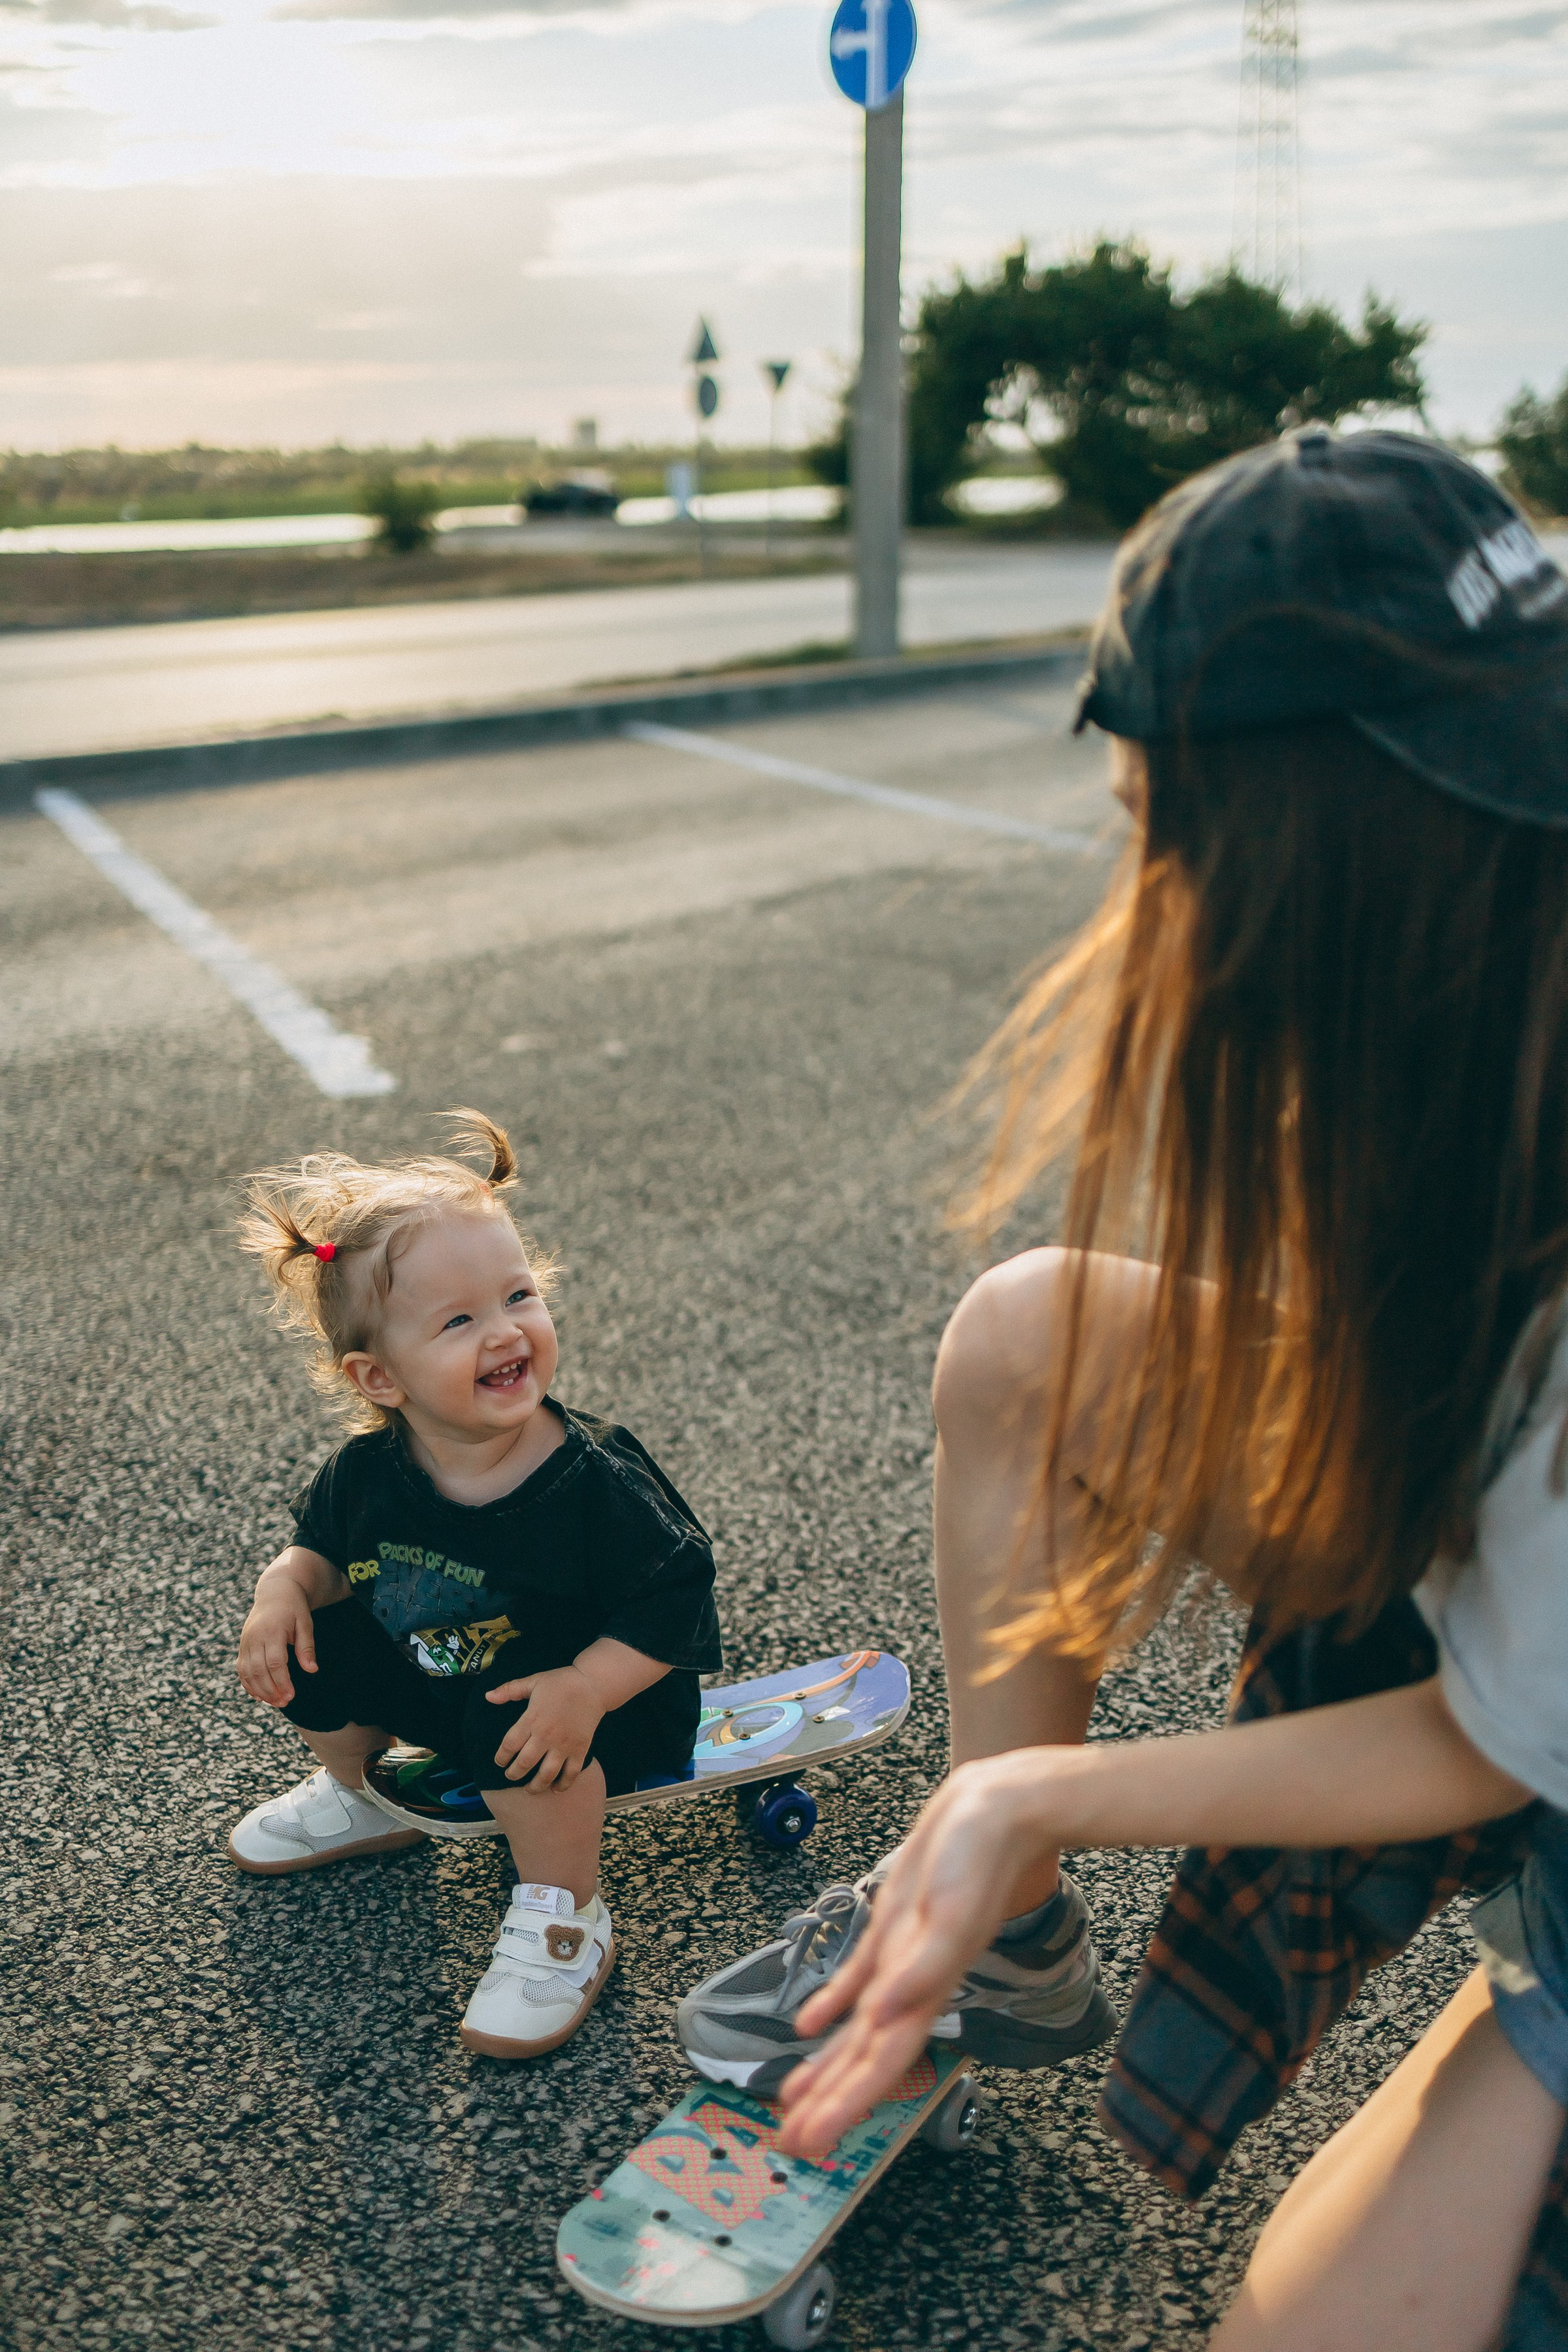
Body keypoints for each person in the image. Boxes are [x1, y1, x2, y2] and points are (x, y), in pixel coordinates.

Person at [676, 429, 1568, 2349]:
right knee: (1031, 1340)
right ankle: (1001, 1962)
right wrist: (1013, 1827)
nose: (1151, 893)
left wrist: (1034, 1792)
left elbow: (1496, 1740)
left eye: (1169, 834)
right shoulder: (1487, 949)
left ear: (1334, 839)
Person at [227, 1111, 720, 2060]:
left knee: (514, 1720)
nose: (506, 1332)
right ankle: (359, 1795)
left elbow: (675, 1599)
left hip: (592, 1710)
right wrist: (282, 1588)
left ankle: (564, 1916)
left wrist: (588, 1688)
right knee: (312, 1645)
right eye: (459, 1321)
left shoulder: (595, 1483)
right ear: (380, 1377)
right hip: (442, 1675)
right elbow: (321, 1551)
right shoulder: (368, 1472)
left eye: (518, 1296)